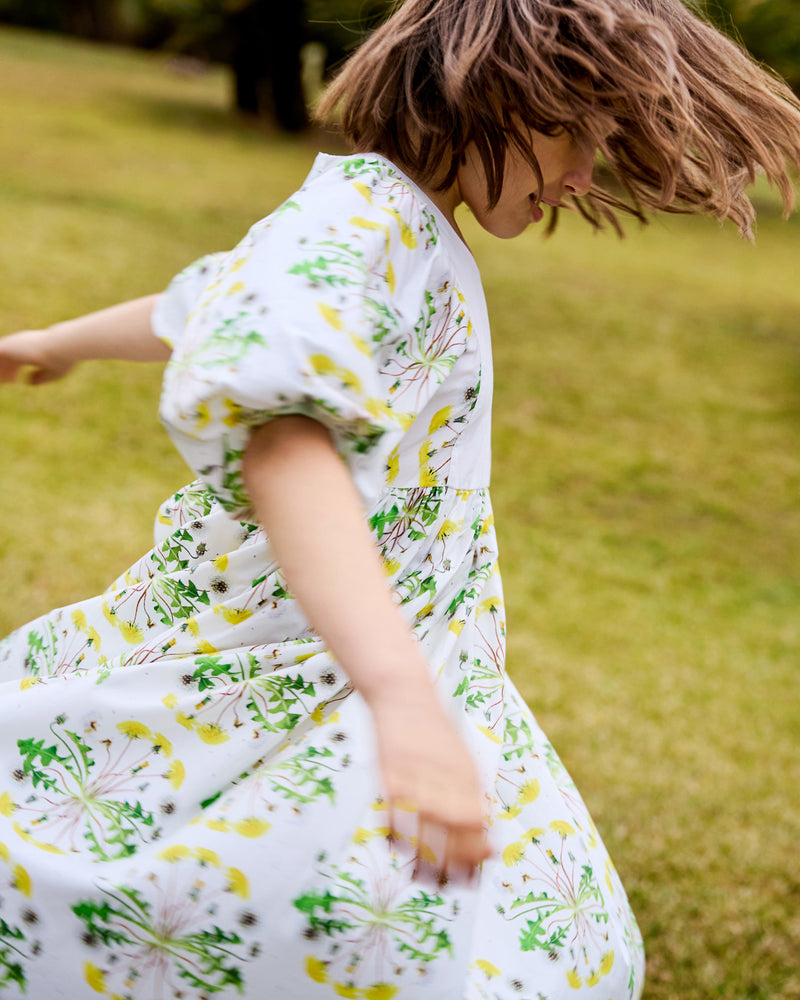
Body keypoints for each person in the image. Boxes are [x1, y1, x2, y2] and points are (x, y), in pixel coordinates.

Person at [1, 1, 798, 997]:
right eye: (576, 136)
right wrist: (399, 697)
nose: (583, 175)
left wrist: (51, 343)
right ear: (501, 87)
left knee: (533, 934)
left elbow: (210, 296)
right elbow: (287, 441)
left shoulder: (397, 224)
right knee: (193, 906)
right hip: (291, 667)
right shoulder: (361, 220)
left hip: (406, 658)